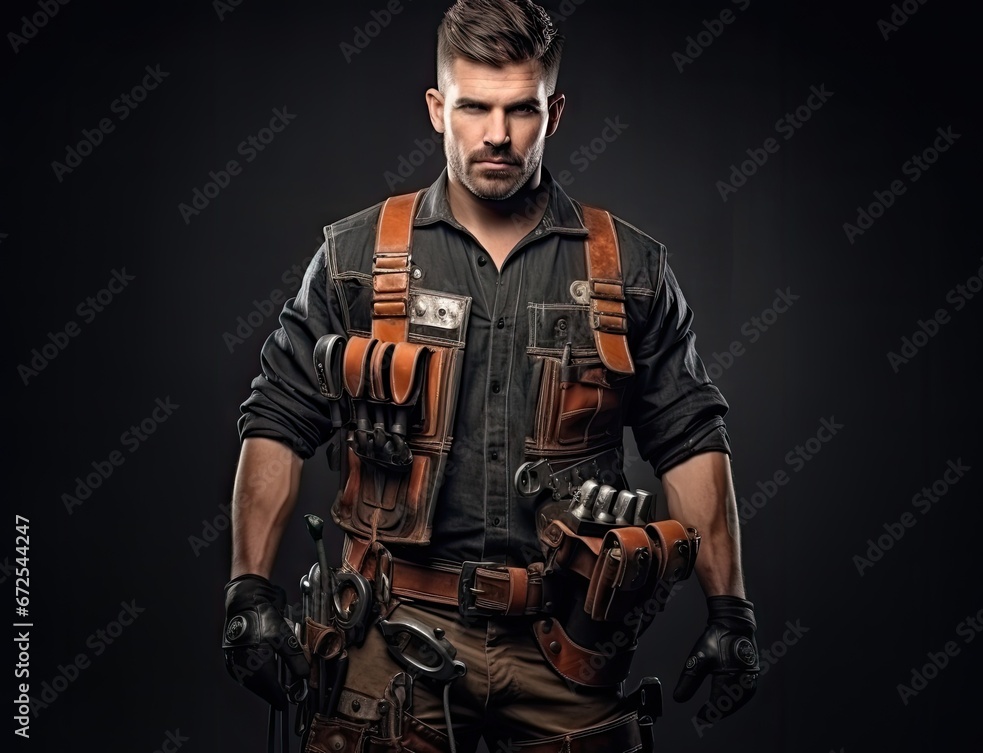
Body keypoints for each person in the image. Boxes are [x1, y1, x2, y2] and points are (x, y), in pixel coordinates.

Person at [221, 2, 760, 751]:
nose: (497, 135)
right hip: (387, 633)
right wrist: (248, 587)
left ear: (555, 110)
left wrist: (729, 609)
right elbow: (278, 417)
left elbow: (690, 437)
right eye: (474, 106)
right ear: (438, 107)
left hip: (569, 647)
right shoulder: (354, 257)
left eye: (521, 110)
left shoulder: (632, 271)